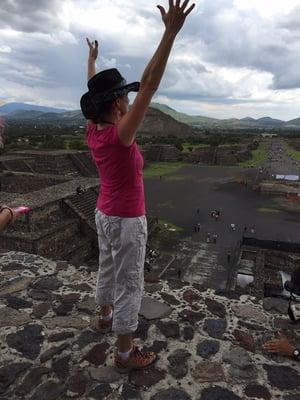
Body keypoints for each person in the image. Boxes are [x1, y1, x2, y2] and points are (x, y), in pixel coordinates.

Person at [81, 1, 195, 372]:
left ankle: (103, 316)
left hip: (104, 214)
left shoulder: (94, 130)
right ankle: (125, 353)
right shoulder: (121, 134)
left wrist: (92, 62)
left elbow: (95, 88)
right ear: (117, 104)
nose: (131, 100)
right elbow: (150, 84)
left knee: (107, 268)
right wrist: (169, 34)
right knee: (130, 282)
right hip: (128, 219)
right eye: (124, 97)